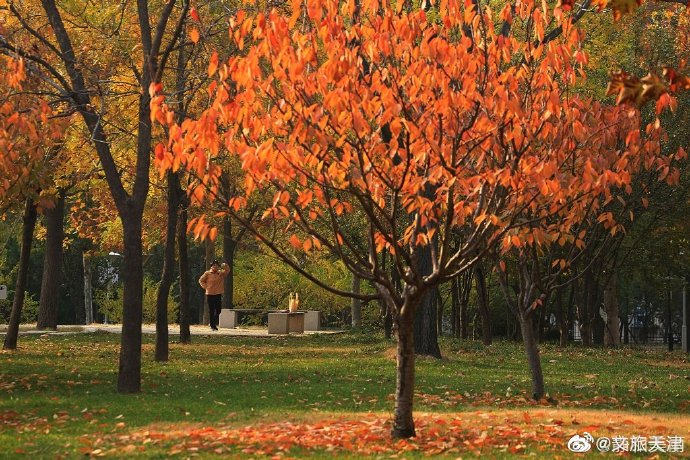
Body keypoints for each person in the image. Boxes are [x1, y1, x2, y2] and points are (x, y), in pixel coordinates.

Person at [198, 260, 229, 330]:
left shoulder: (220, 273)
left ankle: (213, 322)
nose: (215, 266)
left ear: (218, 266)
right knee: (211, 310)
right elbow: (201, 280)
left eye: (217, 265)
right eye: (214, 265)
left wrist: (225, 265)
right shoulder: (207, 273)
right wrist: (206, 287)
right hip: (210, 294)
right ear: (211, 266)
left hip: (218, 293)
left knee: (218, 310)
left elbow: (227, 271)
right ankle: (213, 325)